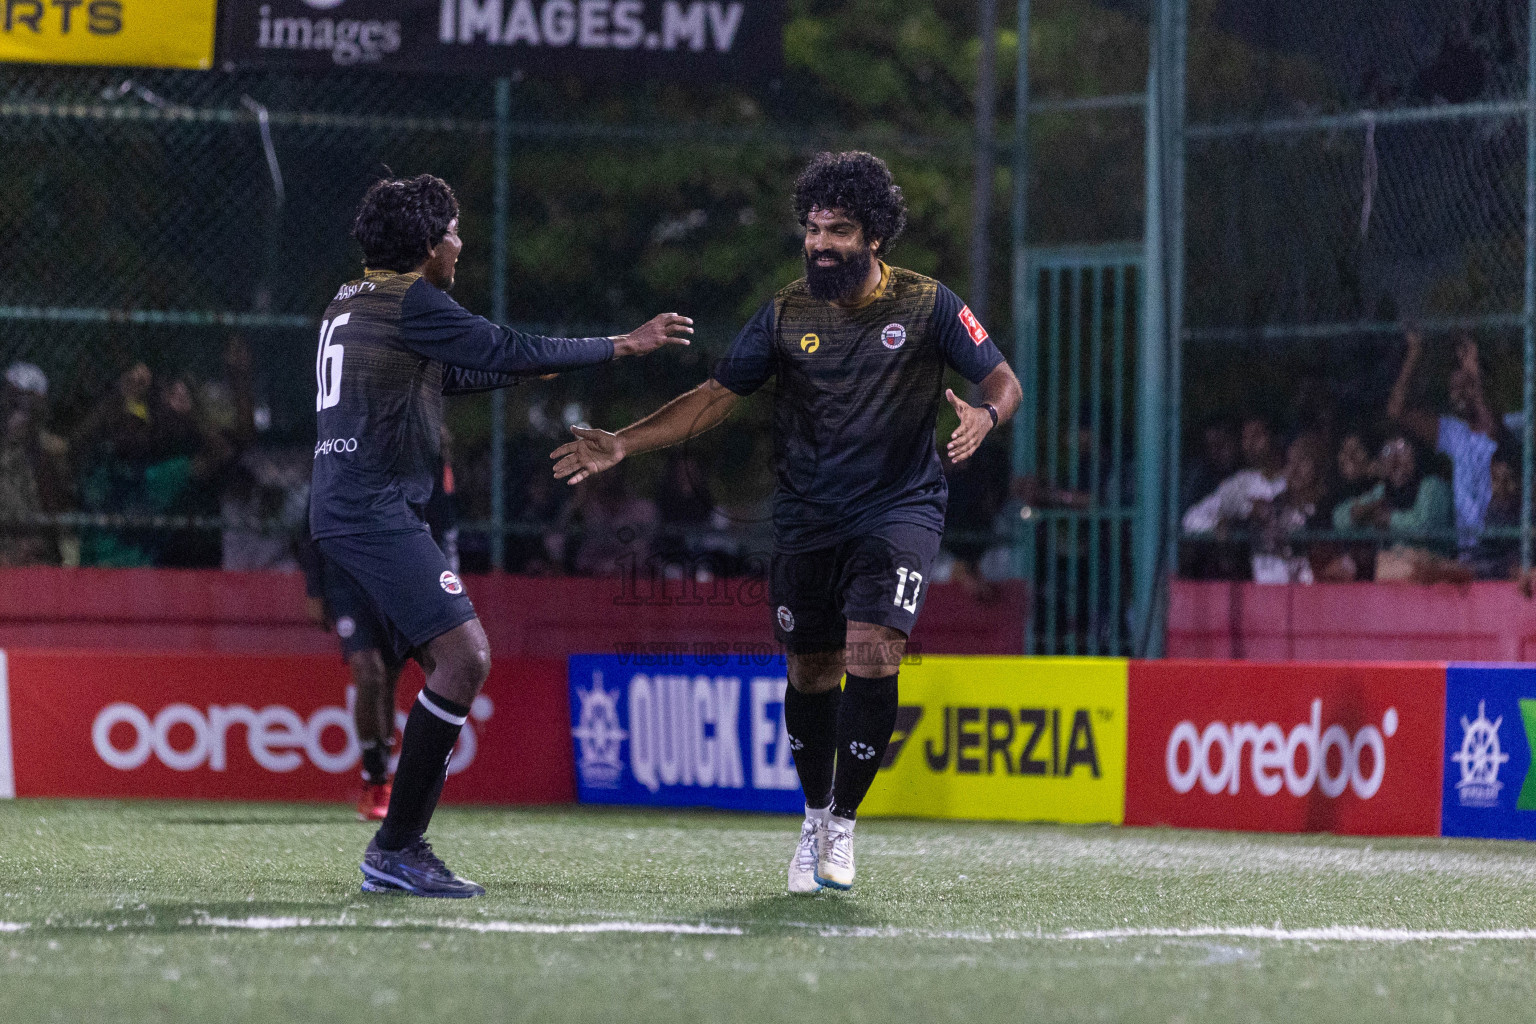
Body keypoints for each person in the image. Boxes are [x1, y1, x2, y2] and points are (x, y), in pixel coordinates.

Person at [551, 151, 1022, 893]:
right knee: (811, 670)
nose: (819, 243)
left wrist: (987, 416)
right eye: (811, 228)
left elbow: (1003, 378)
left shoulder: (930, 304)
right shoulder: (783, 313)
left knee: (875, 653)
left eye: (836, 229)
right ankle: (811, 814)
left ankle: (842, 826)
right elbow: (713, 396)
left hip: (899, 507)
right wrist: (625, 442)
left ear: (874, 237)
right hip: (806, 515)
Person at [313, 174, 692, 897]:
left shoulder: (351, 300)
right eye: (453, 231)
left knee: (446, 663)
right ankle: (396, 848)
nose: (461, 244)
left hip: (353, 509)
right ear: (428, 246)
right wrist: (623, 345)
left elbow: (457, 369)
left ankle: (398, 841)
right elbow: (504, 345)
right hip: (373, 509)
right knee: (465, 659)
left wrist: (534, 363)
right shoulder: (415, 300)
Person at [1387, 327, 1498, 557]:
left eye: (1466, 386)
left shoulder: (1498, 429)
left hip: (1498, 546)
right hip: (1467, 550)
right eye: (1454, 389)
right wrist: (1414, 355)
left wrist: (1474, 375)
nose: (1459, 394)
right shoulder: (1454, 432)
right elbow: (1397, 410)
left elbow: (1489, 424)